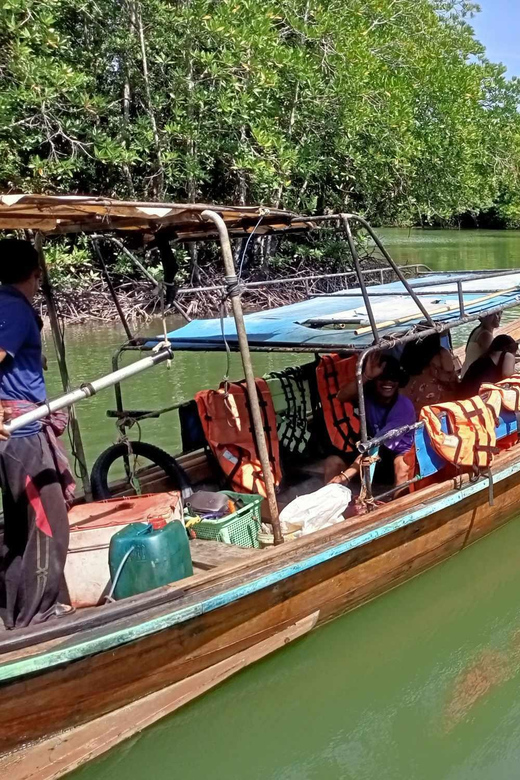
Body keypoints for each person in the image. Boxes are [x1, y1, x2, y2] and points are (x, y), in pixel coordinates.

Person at [0, 238, 75, 629]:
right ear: (35, 274)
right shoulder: (13, 307)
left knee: (18, 527)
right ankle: (38, 618)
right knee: (48, 527)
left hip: (12, 435)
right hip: (22, 433)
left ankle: (12, 613)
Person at [324, 354, 416, 496]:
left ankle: (398, 505)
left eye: (393, 378)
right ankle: (329, 503)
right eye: (382, 378)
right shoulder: (368, 396)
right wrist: (366, 376)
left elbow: (376, 444)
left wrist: (346, 476)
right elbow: (341, 396)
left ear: (399, 381)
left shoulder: (404, 407)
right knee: (332, 462)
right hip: (371, 451)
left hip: (395, 454)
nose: (388, 382)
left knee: (401, 465)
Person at [401, 333, 459, 414]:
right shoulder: (441, 354)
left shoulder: (410, 353)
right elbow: (449, 372)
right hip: (437, 405)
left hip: (417, 407)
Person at [459, 334, 518, 399]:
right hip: (477, 397)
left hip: (464, 394)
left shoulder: (485, 357)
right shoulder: (508, 355)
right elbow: (508, 377)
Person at [461, 312, 502, 377]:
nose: (497, 317)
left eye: (499, 313)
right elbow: (493, 361)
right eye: (492, 314)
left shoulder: (477, 329)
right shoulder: (485, 335)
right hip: (473, 378)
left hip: (467, 374)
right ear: (484, 317)